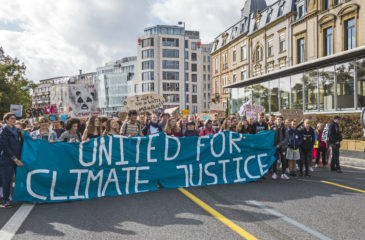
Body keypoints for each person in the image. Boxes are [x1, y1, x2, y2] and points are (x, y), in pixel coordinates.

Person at [0, 112, 24, 208]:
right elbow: (5, 147)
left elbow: (22, 143)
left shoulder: (17, 130)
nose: (14, 120)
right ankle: (5, 200)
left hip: (17, 158)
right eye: (11, 119)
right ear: (6, 120)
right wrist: (15, 159)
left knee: (19, 178)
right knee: (7, 181)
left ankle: (19, 197)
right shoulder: (3, 131)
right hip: (7, 160)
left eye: (14, 118)